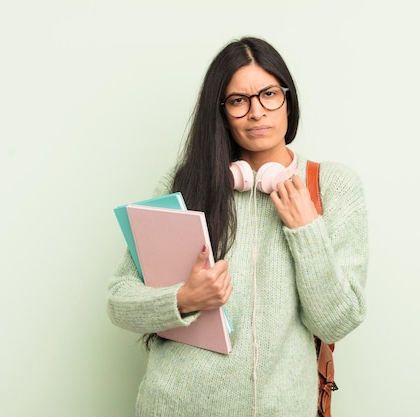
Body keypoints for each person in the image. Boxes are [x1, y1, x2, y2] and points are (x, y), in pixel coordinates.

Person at [107, 36, 368, 417]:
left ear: (288, 100)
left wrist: (306, 230)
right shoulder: (185, 183)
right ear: (222, 113)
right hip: (175, 405)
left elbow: (336, 321)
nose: (257, 112)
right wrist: (185, 299)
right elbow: (119, 301)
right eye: (238, 101)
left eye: (269, 94)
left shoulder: (332, 187)